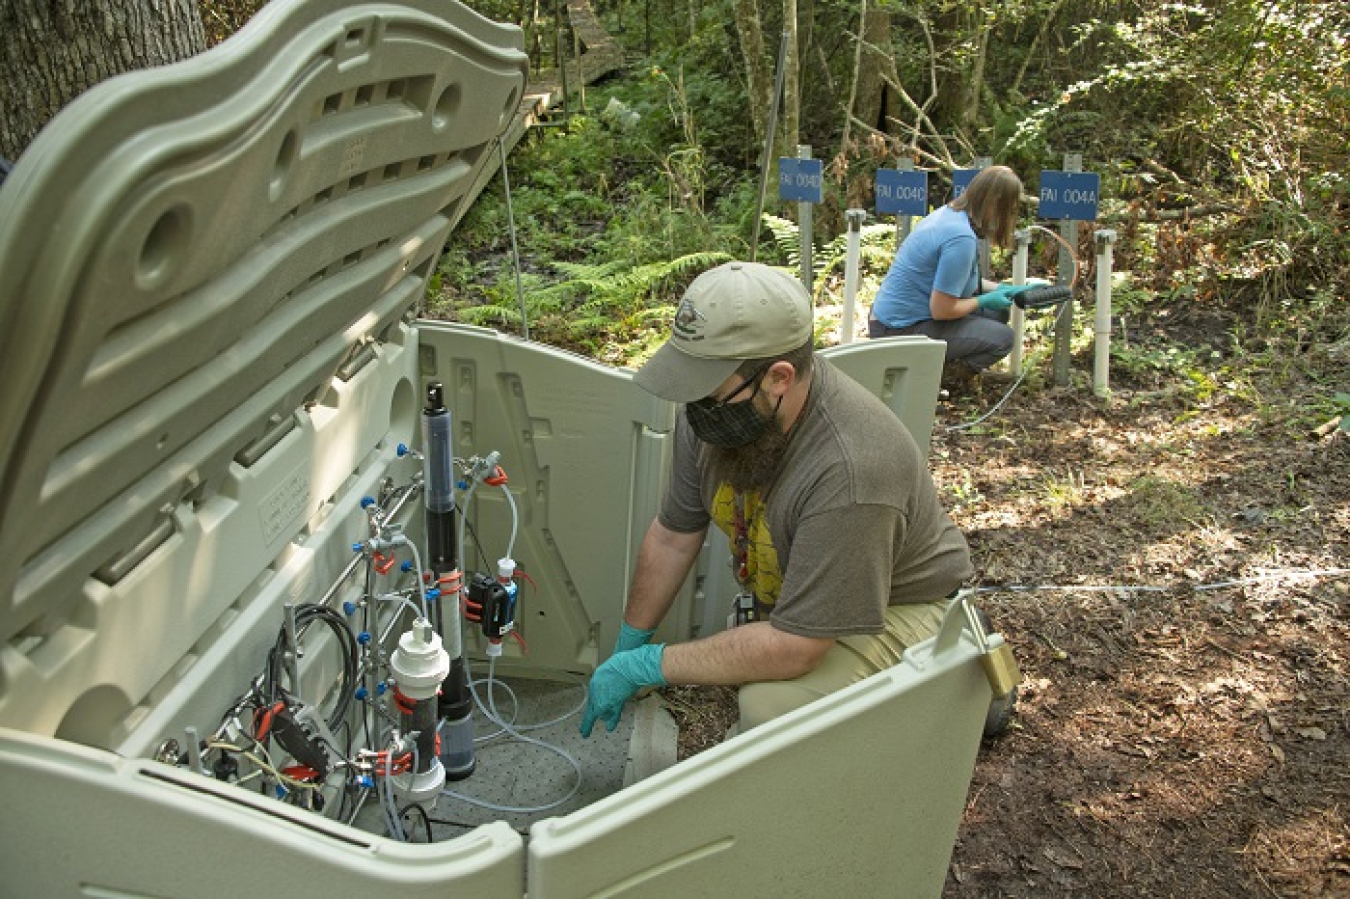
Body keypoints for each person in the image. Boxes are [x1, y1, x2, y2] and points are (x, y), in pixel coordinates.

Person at [579, 260, 975, 738]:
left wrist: (650, 665)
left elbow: (797, 646)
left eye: (707, 389)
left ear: (779, 378)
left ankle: (958, 691)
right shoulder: (717, 411)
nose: (693, 405)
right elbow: (673, 536)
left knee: (770, 710)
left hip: (904, 607)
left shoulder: (851, 468)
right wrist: (630, 643)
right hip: (813, 595)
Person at [868, 165, 1026, 386]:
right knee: (1003, 338)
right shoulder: (960, 238)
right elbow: (942, 309)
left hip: (886, 319)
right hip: (897, 330)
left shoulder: (950, 215)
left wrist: (1001, 289)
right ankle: (935, 383)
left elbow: (955, 280)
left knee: (996, 314)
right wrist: (983, 300)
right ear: (994, 203)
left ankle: (932, 371)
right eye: (1009, 209)